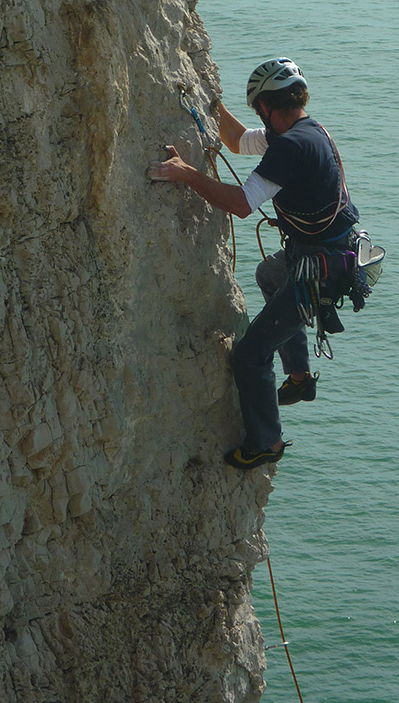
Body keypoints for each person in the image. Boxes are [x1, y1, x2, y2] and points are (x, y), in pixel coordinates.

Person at [148, 58, 359, 471]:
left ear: (264, 106)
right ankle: (299, 378)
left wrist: (187, 174)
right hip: (327, 256)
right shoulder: (306, 132)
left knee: (249, 355)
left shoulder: (291, 148)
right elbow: (237, 141)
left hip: (318, 269)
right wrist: (211, 104)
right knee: (269, 274)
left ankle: (267, 442)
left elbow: (242, 204)